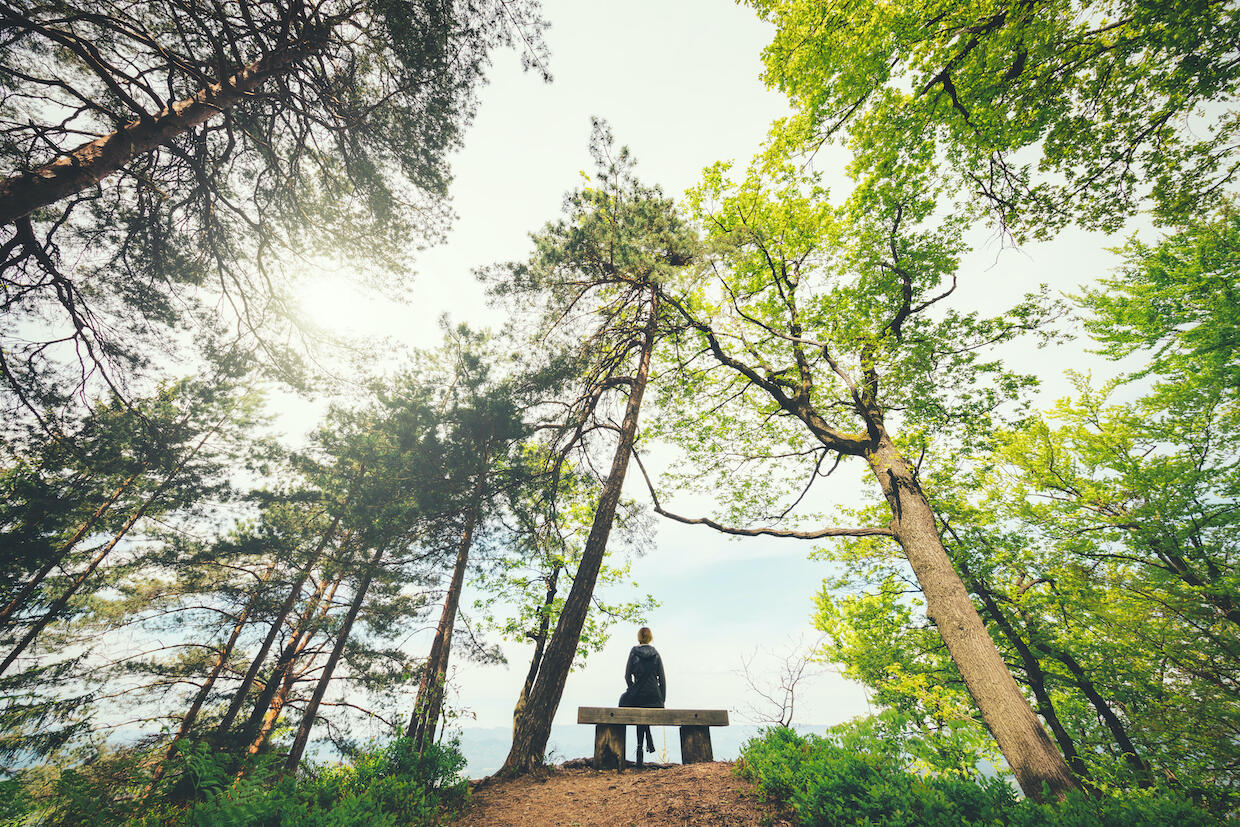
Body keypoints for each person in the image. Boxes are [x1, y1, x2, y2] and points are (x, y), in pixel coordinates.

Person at [618, 626, 665, 765]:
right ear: (650, 637)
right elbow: (662, 679)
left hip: (638, 695)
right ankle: (646, 744)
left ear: (639, 637)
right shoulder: (656, 654)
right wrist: (662, 699)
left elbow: (627, 676)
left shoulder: (634, 652)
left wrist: (633, 690)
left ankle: (640, 750)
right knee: (643, 713)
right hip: (654, 697)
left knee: (634, 706)